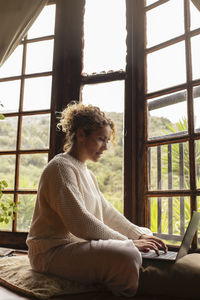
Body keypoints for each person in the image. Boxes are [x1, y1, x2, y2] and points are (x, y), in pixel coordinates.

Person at [26, 101, 167, 297]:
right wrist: (127, 243)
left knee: (145, 234)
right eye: (101, 139)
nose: (106, 147)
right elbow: (80, 223)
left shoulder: (86, 172)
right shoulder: (60, 167)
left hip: (74, 247)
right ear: (82, 134)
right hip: (50, 253)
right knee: (127, 254)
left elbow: (107, 212)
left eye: (107, 140)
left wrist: (137, 235)